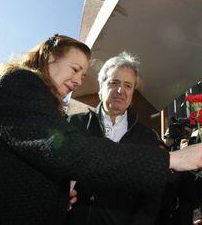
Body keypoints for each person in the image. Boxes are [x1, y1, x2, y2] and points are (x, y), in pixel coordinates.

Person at [0, 34, 202, 224]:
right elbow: (71, 153)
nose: (79, 81)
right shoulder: (21, 83)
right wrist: (171, 159)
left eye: (83, 74)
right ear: (49, 58)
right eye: (75, 69)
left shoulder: (146, 137)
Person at [67, 52, 163, 225]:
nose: (121, 90)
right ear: (100, 87)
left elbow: (151, 197)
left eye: (128, 85)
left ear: (133, 92)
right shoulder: (73, 124)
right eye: (114, 82)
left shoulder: (147, 138)